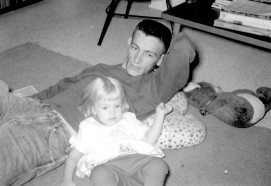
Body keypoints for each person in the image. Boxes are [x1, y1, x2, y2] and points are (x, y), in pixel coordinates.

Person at [0, 19, 206, 186]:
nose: (137, 59)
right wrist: (21, 102)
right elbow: (59, 87)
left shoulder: (154, 87)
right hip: (33, 107)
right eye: (135, 47)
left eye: (149, 54)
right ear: (128, 43)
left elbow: (184, 48)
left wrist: (172, 31)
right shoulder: (100, 67)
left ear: (161, 60)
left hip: (57, 131)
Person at [61, 77, 171, 186]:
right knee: (99, 173)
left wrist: (160, 115)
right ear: (93, 108)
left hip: (138, 162)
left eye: (117, 106)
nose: (112, 112)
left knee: (158, 164)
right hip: (108, 167)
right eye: (105, 108)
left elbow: (149, 140)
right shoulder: (88, 127)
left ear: (122, 104)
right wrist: (67, 180)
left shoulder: (128, 119)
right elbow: (74, 156)